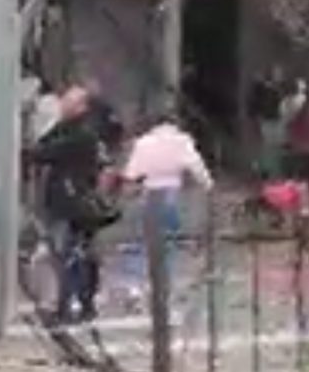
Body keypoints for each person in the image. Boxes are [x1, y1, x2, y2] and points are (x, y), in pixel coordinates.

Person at [28, 85, 121, 325]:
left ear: (81, 106)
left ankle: (67, 306)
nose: (62, 105)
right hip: (70, 199)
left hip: (73, 201)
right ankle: (80, 304)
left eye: (68, 102)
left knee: (68, 254)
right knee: (77, 254)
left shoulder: (82, 133)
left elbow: (42, 152)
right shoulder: (70, 128)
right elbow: (43, 145)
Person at [122, 102, 214, 267]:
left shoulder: (143, 143)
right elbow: (196, 165)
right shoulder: (182, 141)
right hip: (174, 188)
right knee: (174, 226)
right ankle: (175, 249)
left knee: (151, 231)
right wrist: (207, 184)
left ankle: (154, 261)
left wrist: (128, 187)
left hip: (151, 190)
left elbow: (132, 172)